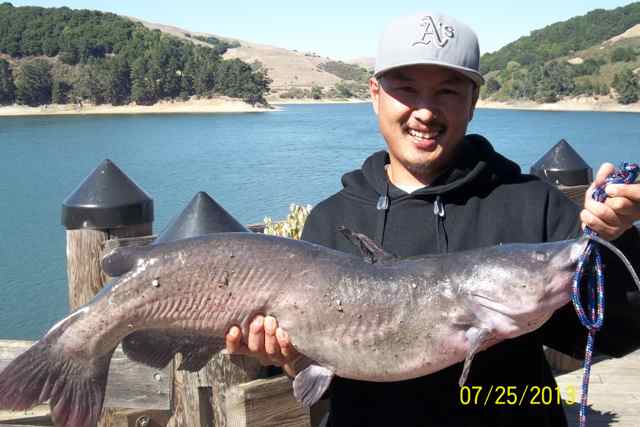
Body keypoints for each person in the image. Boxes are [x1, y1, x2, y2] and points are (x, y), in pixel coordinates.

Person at [226, 11, 640, 427]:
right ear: (375, 94)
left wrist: (616, 238)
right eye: (406, 89)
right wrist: (286, 357)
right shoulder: (331, 220)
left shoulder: (533, 204)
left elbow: (616, 333)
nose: (425, 111)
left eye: (447, 92)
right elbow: (314, 375)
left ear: (473, 101)